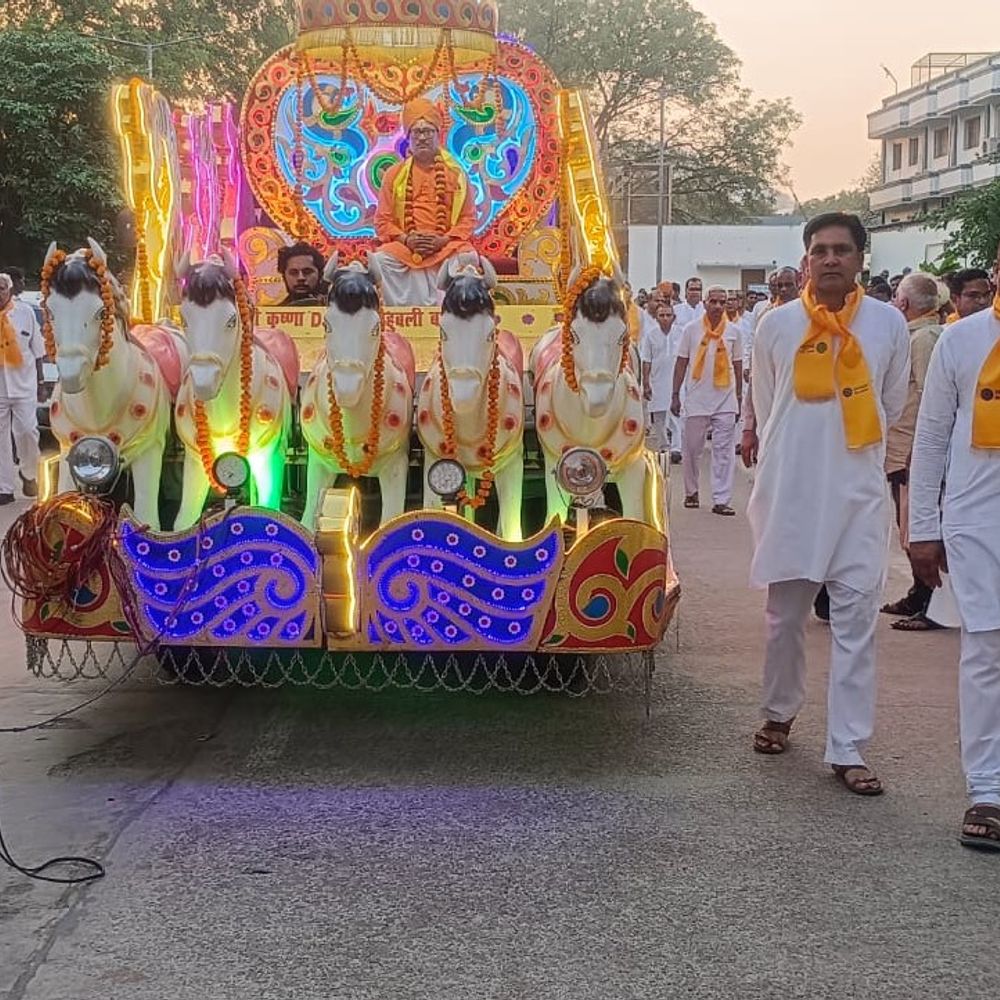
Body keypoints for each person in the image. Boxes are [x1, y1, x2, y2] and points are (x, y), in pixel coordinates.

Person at [747, 213, 910, 795]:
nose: (831, 259)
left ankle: (848, 746)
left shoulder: (888, 324)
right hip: (792, 490)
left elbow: (890, 403)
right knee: (784, 617)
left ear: (861, 258)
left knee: (856, 621)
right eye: (820, 250)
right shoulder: (776, 324)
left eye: (842, 249)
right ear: (806, 260)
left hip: (858, 493)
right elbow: (767, 404)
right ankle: (779, 711)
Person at [908, 242, 1000, 850]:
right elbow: (933, 434)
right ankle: (987, 791)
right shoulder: (962, 340)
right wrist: (923, 525)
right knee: (987, 651)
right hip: (979, 518)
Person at [880, 273, 944, 631]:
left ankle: (933, 603)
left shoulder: (924, 339)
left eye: (896, 298)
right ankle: (919, 594)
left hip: (913, 448)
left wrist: (917, 446)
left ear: (903, 303)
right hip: (902, 447)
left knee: (918, 526)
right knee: (907, 523)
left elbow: (929, 400)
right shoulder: (913, 335)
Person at [372, 98, 476, 307]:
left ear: (438, 135)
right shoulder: (394, 174)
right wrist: (406, 239)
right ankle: (404, 316)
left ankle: (450, 313)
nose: (422, 138)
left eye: (427, 131)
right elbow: (383, 220)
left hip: (445, 245)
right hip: (407, 247)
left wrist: (443, 240)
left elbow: (468, 218)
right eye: (416, 132)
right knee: (381, 260)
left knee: (468, 258)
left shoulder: (456, 174)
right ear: (408, 138)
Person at [671, 285, 742, 516]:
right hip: (697, 399)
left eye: (722, 302)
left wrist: (739, 397)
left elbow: (738, 365)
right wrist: (675, 394)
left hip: (726, 398)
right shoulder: (691, 330)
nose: (718, 306)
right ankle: (691, 492)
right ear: (705, 303)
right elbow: (681, 363)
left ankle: (721, 499)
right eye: (714, 301)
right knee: (692, 449)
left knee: (724, 451)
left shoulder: (734, 332)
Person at [0, 273, 44, 504]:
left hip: (24, 384)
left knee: (27, 431)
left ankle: (28, 473)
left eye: (1, 288)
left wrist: (41, 382)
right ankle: (4, 488)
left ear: (9, 290)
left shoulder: (25, 312)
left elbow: (38, 350)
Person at [641, 301, 676, 452]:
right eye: (662, 315)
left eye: (668, 315)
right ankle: (664, 446)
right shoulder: (650, 336)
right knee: (658, 415)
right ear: (656, 317)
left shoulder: (681, 333)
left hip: (677, 381)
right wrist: (646, 383)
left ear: (674, 317)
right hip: (657, 380)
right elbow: (646, 360)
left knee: (676, 415)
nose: (665, 318)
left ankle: (677, 448)